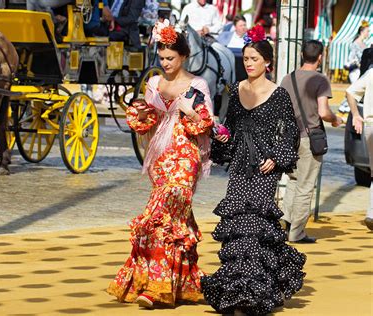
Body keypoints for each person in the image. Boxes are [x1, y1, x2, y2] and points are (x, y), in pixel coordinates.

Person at [107, 20, 214, 308]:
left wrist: (190, 111)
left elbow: (207, 125)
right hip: (160, 155)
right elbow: (149, 119)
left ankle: (157, 287)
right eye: (162, 58)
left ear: (183, 57)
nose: (165, 63)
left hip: (186, 156)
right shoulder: (154, 83)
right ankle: (183, 281)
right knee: (172, 219)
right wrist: (141, 117)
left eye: (171, 58)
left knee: (163, 212)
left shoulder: (198, 84)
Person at [201, 24, 306, 315]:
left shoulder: (279, 94)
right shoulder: (236, 91)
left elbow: (290, 134)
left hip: (264, 167)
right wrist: (221, 136)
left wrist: (276, 157)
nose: (248, 64)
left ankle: (252, 292)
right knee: (240, 225)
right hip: (239, 165)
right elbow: (230, 127)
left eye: (254, 59)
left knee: (254, 225)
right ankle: (240, 289)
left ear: (267, 62)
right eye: (245, 59)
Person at [280, 40, 343, 243]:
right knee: (306, 186)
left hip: (289, 137)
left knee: (293, 180)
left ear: (301, 54)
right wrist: (335, 119)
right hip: (310, 138)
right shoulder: (320, 80)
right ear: (320, 57)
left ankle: (286, 222)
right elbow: (323, 112)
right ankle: (297, 232)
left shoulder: (287, 78)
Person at [345, 48, 373, 230]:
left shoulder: (371, 73)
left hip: (370, 125)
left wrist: (356, 115)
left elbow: (350, 92)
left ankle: (371, 213)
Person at [218, 15, 248, 81]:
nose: (243, 27)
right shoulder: (225, 35)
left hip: (243, 70)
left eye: (244, 25)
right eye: (241, 25)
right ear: (235, 27)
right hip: (226, 68)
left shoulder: (250, 38)